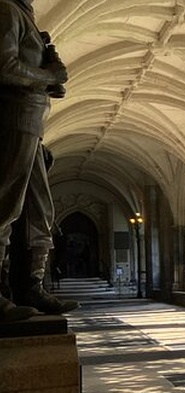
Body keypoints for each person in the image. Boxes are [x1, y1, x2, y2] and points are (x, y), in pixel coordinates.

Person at [0, 0, 78, 321]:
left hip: (32, 122)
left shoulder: (26, 16)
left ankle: (31, 286)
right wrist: (47, 75)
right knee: (5, 205)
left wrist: (49, 81)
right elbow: (4, 67)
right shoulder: (6, 9)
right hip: (11, 118)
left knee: (39, 210)